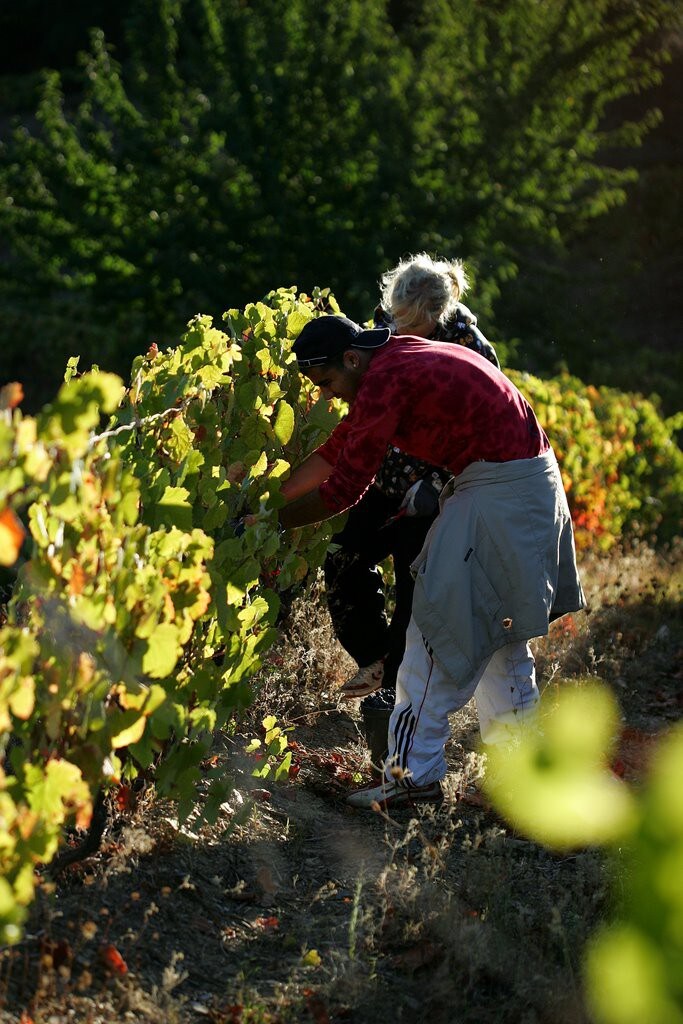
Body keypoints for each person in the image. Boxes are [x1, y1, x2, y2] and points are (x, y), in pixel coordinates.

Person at [278, 314, 585, 810]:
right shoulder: (395, 357)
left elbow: (344, 488)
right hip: (524, 484)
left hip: (498, 492)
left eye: (328, 382)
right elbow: (339, 449)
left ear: (351, 359)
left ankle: (411, 777)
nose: (328, 395)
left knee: (433, 633)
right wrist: (273, 499)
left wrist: (275, 523)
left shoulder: (385, 378)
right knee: (500, 640)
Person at [325, 254, 500, 704]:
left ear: (438, 315)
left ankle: (397, 698)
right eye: (393, 319)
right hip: (385, 476)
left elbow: (488, 427)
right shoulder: (383, 329)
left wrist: (439, 482)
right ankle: (377, 658)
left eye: (411, 323)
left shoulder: (472, 347)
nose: (399, 330)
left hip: (435, 488)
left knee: (412, 583)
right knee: (343, 559)